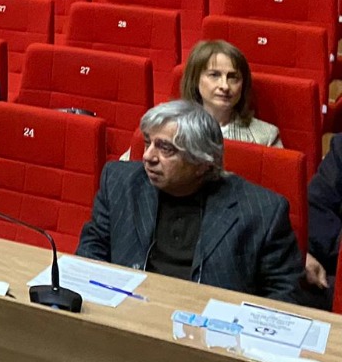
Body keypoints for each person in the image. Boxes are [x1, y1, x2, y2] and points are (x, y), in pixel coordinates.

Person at [76, 100, 302, 302]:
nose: (148, 156)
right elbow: (92, 248)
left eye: (166, 148)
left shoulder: (262, 212)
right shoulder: (120, 182)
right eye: (148, 142)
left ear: (202, 163)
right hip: (127, 316)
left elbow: (285, 293)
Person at [181, 41, 281, 146]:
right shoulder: (172, 128)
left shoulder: (266, 137)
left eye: (233, 77)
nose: (225, 86)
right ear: (195, 80)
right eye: (214, 75)